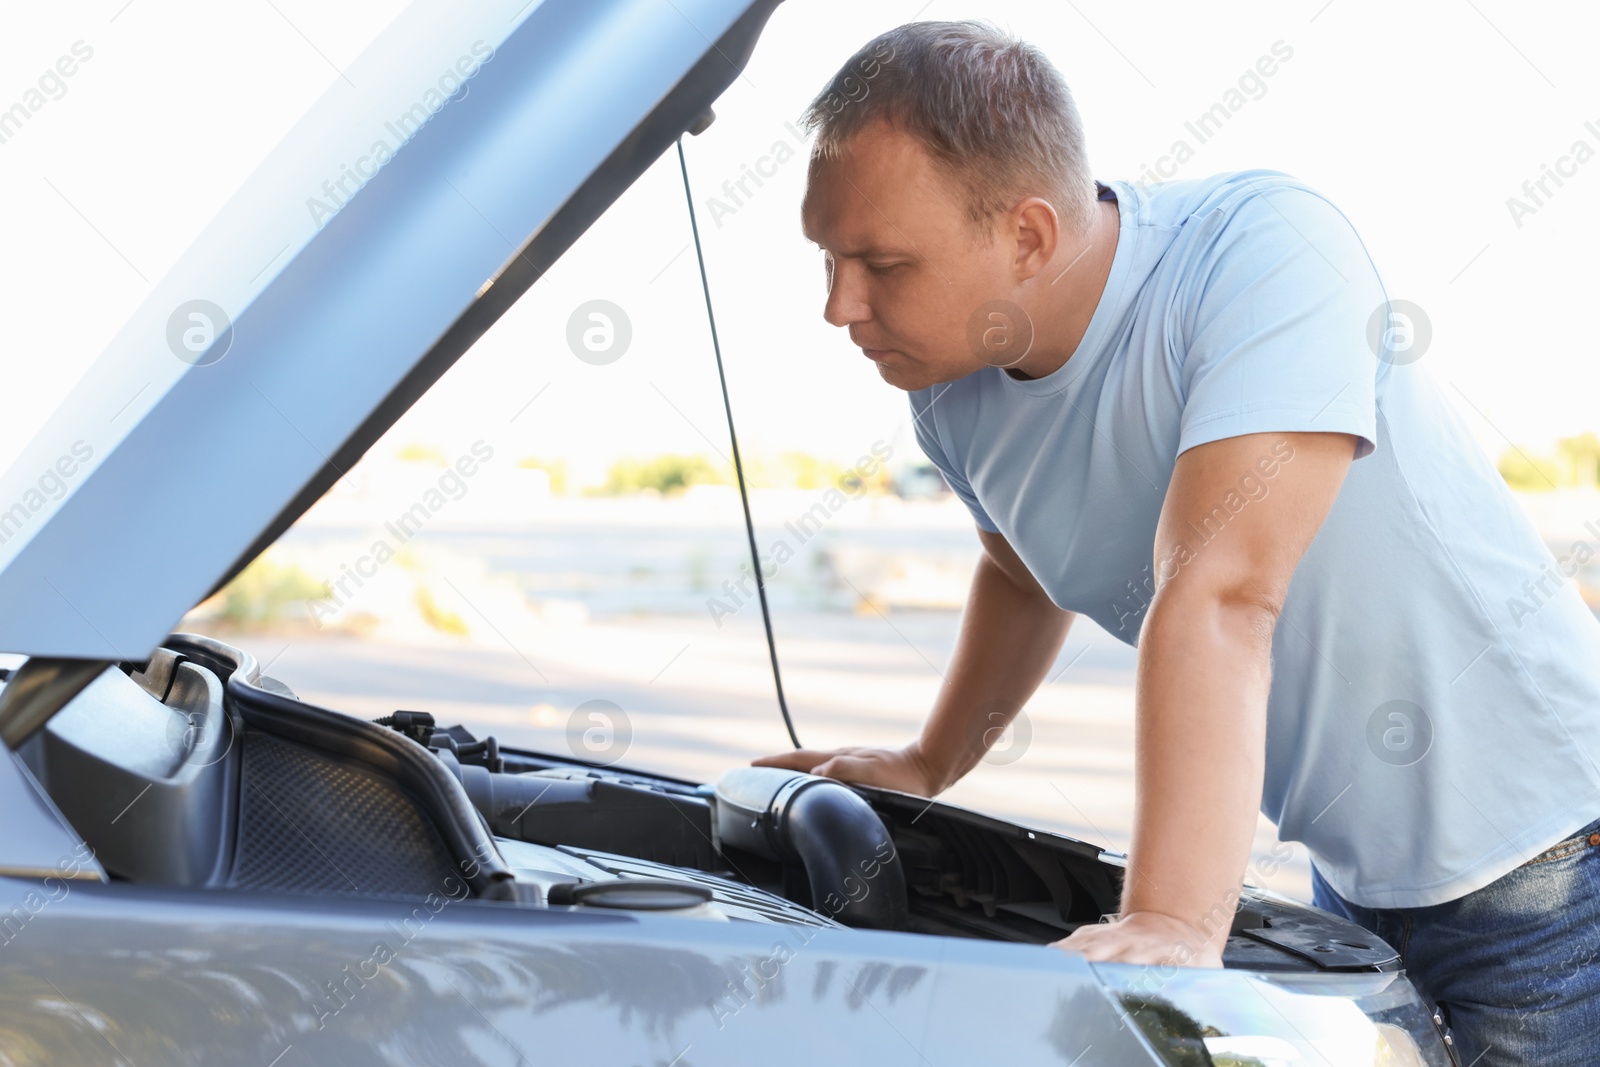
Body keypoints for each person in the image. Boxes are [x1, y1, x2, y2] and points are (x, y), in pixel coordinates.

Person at [752, 20, 1600, 1064]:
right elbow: (1019, 575)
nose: (839, 306)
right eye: (828, 257)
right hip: (1357, 875)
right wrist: (931, 759)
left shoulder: (1260, 251)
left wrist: (1170, 921)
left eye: (881, 263)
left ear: (1025, 236)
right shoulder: (951, 396)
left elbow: (1222, 589)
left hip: (1553, 861)